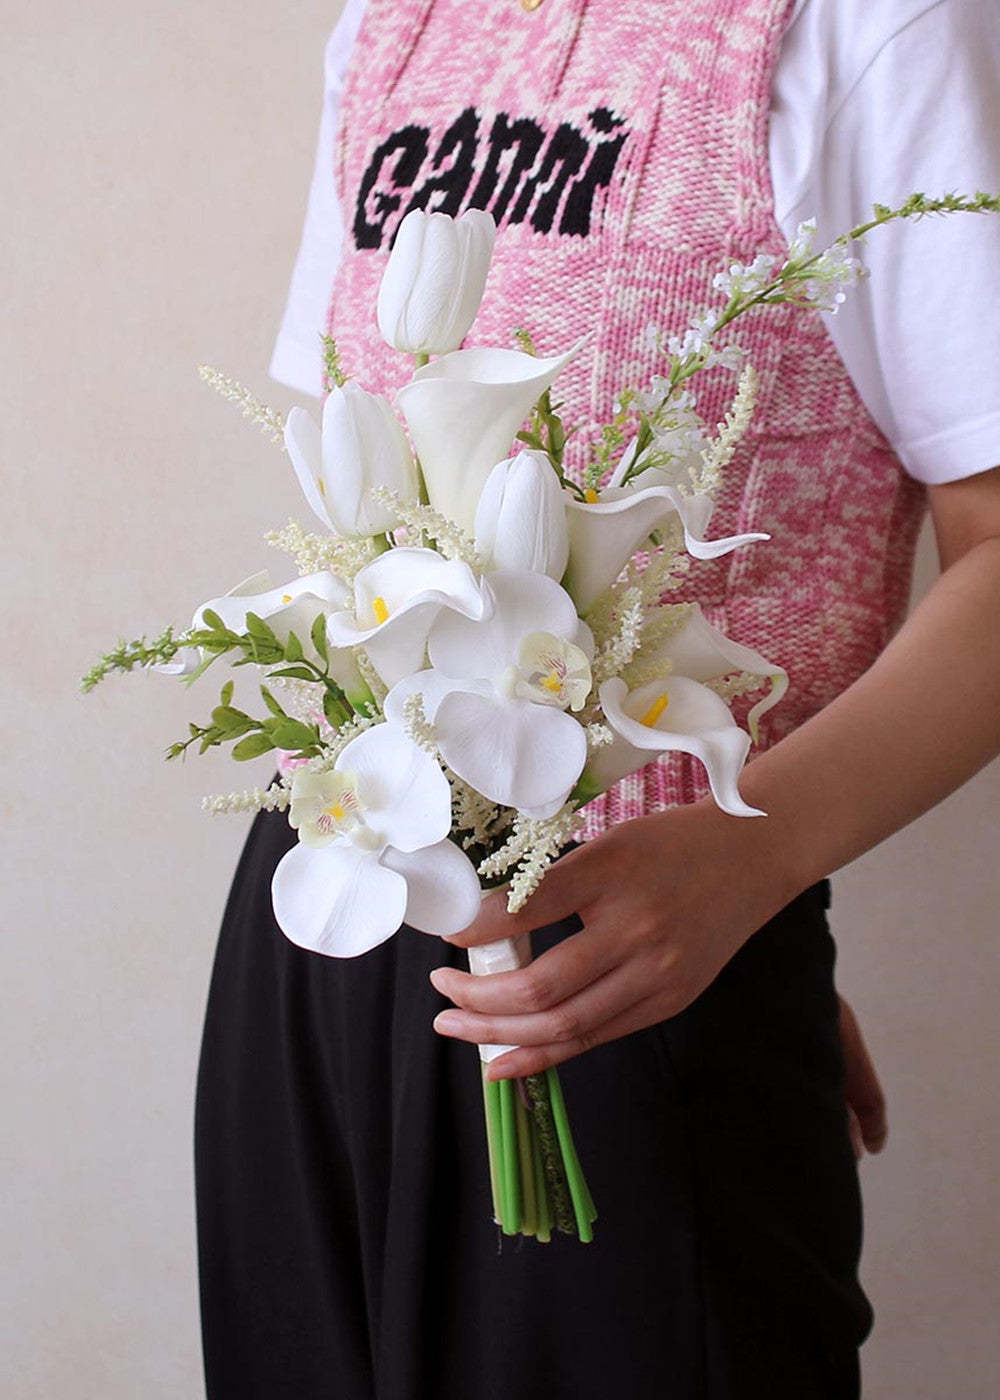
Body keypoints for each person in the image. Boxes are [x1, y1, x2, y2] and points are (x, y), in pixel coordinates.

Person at [194, 2, 1000, 1396]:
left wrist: (759, 860)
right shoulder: (391, 25)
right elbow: (357, 473)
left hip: (627, 959)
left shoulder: (870, 28)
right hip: (329, 908)